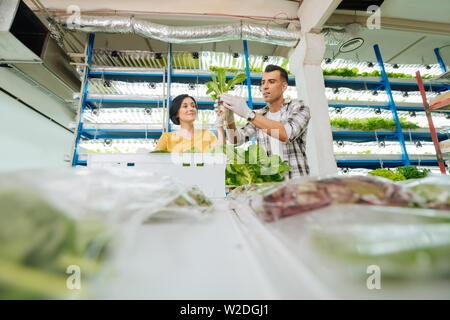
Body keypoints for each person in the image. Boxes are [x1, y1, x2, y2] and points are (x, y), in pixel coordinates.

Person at [218, 64, 311, 178]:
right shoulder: (261, 115)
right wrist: (229, 118)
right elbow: (235, 140)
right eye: (263, 83)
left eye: (271, 82)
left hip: (296, 184)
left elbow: (286, 133)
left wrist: (249, 114)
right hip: (270, 185)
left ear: (284, 86)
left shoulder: (298, 107)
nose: (265, 87)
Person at [155, 94, 226, 152]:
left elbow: (221, 155)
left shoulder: (207, 135)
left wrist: (220, 125)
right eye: (185, 106)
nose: (191, 109)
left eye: (193, 106)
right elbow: (156, 162)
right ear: (176, 113)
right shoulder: (166, 138)